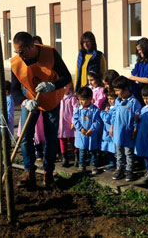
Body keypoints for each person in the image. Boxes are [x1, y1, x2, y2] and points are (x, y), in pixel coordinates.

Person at [10, 32, 71, 189]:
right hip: (31, 100)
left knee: (51, 138)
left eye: (22, 51)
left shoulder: (50, 53)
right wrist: (24, 102)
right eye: (16, 52)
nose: (19, 55)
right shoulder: (17, 62)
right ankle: (29, 172)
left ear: (32, 46)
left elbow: (66, 77)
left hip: (51, 100)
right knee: (25, 137)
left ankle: (48, 174)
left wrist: (53, 85)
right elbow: (14, 89)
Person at [110, 76, 142, 182]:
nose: (116, 93)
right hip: (118, 132)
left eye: (118, 90)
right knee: (119, 152)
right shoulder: (117, 102)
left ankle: (129, 170)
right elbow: (113, 116)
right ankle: (120, 169)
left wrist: (135, 130)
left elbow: (137, 118)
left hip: (128, 132)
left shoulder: (134, 102)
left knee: (128, 152)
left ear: (126, 89)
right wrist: (112, 128)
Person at [73, 86, 103, 175]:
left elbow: (97, 121)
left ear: (90, 99)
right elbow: (75, 119)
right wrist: (80, 128)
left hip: (91, 135)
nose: (80, 102)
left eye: (82, 100)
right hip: (82, 135)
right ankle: (82, 166)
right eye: (79, 100)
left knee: (93, 152)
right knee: (82, 151)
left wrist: (92, 129)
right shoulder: (78, 109)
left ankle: (94, 166)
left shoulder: (95, 110)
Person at [129, 37, 148, 104]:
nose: (139, 52)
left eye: (140, 50)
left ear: (145, 48)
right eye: (138, 50)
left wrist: (134, 78)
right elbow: (133, 74)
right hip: (138, 92)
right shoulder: (140, 62)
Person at [58, 83, 78, 167]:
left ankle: (77, 157)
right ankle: (65, 158)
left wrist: (74, 121)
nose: (63, 88)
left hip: (69, 123)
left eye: (65, 86)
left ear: (70, 87)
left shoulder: (72, 98)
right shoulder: (58, 98)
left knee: (73, 140)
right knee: (62, 140)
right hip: (60, 123)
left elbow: (75, 110)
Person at [100, 90, 117, 172]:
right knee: (109, 149)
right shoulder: (110, 108)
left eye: (112, 98)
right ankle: (112, 164)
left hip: (112, 133)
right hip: (107, 133)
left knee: (114, 150)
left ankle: (116, 164)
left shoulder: (114, 109)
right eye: (108, 98)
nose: (110, 101)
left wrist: (103, 112)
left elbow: (108, 119)